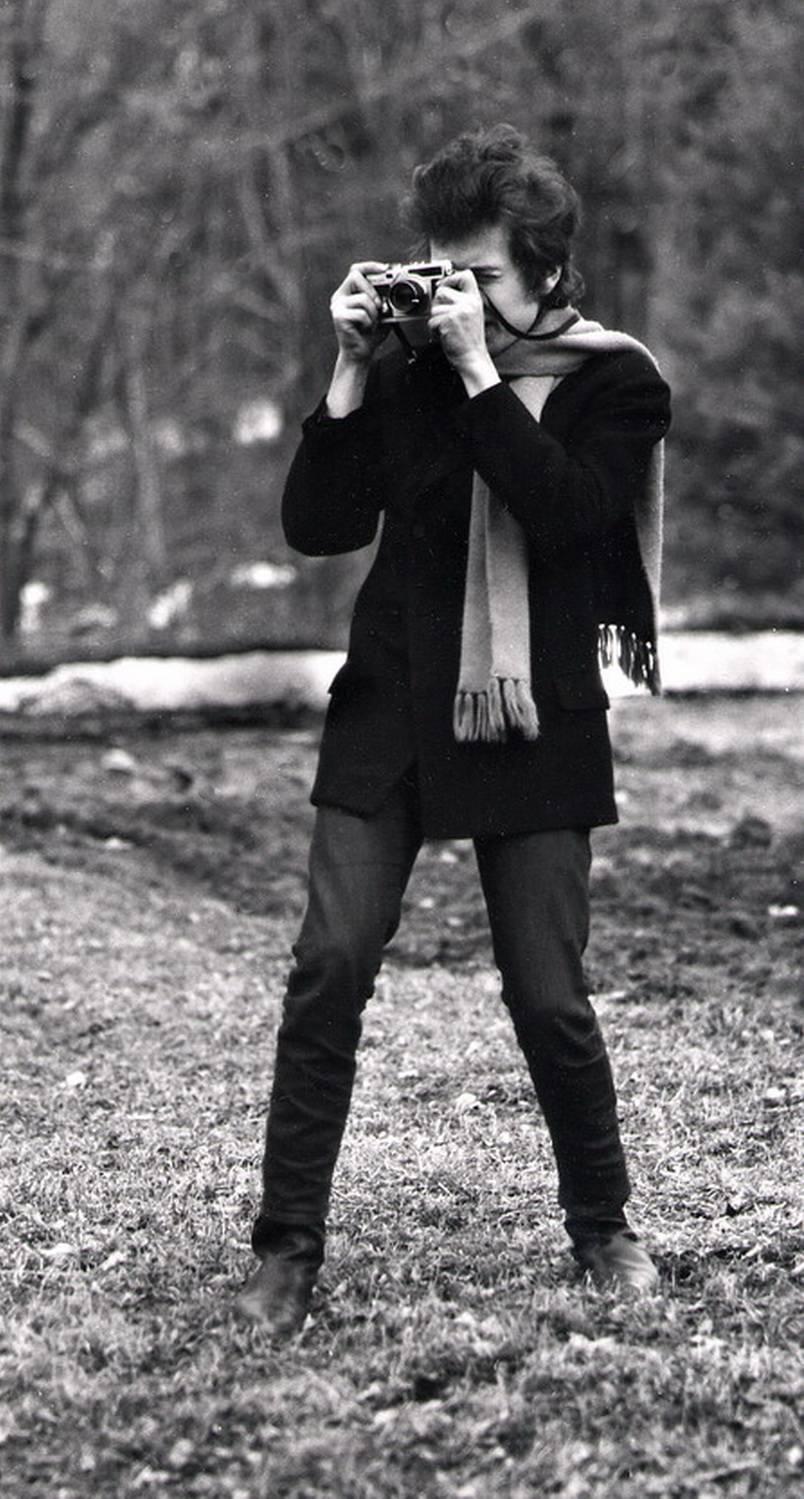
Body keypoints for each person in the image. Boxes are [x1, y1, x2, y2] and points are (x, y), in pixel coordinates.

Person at [236, 124, 671, 1335]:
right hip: (391, 705)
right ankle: (285, 1251)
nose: (452, 299)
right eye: (439, 272)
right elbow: (319, 528)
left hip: (530, 717)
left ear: (544, 271)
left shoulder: (614, 381)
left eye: (475, 279)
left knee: (548, 994)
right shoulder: (408, 364)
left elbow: (575, 521)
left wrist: (481, 377)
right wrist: (349, 370)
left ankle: (605, 1230)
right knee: (329, 965)